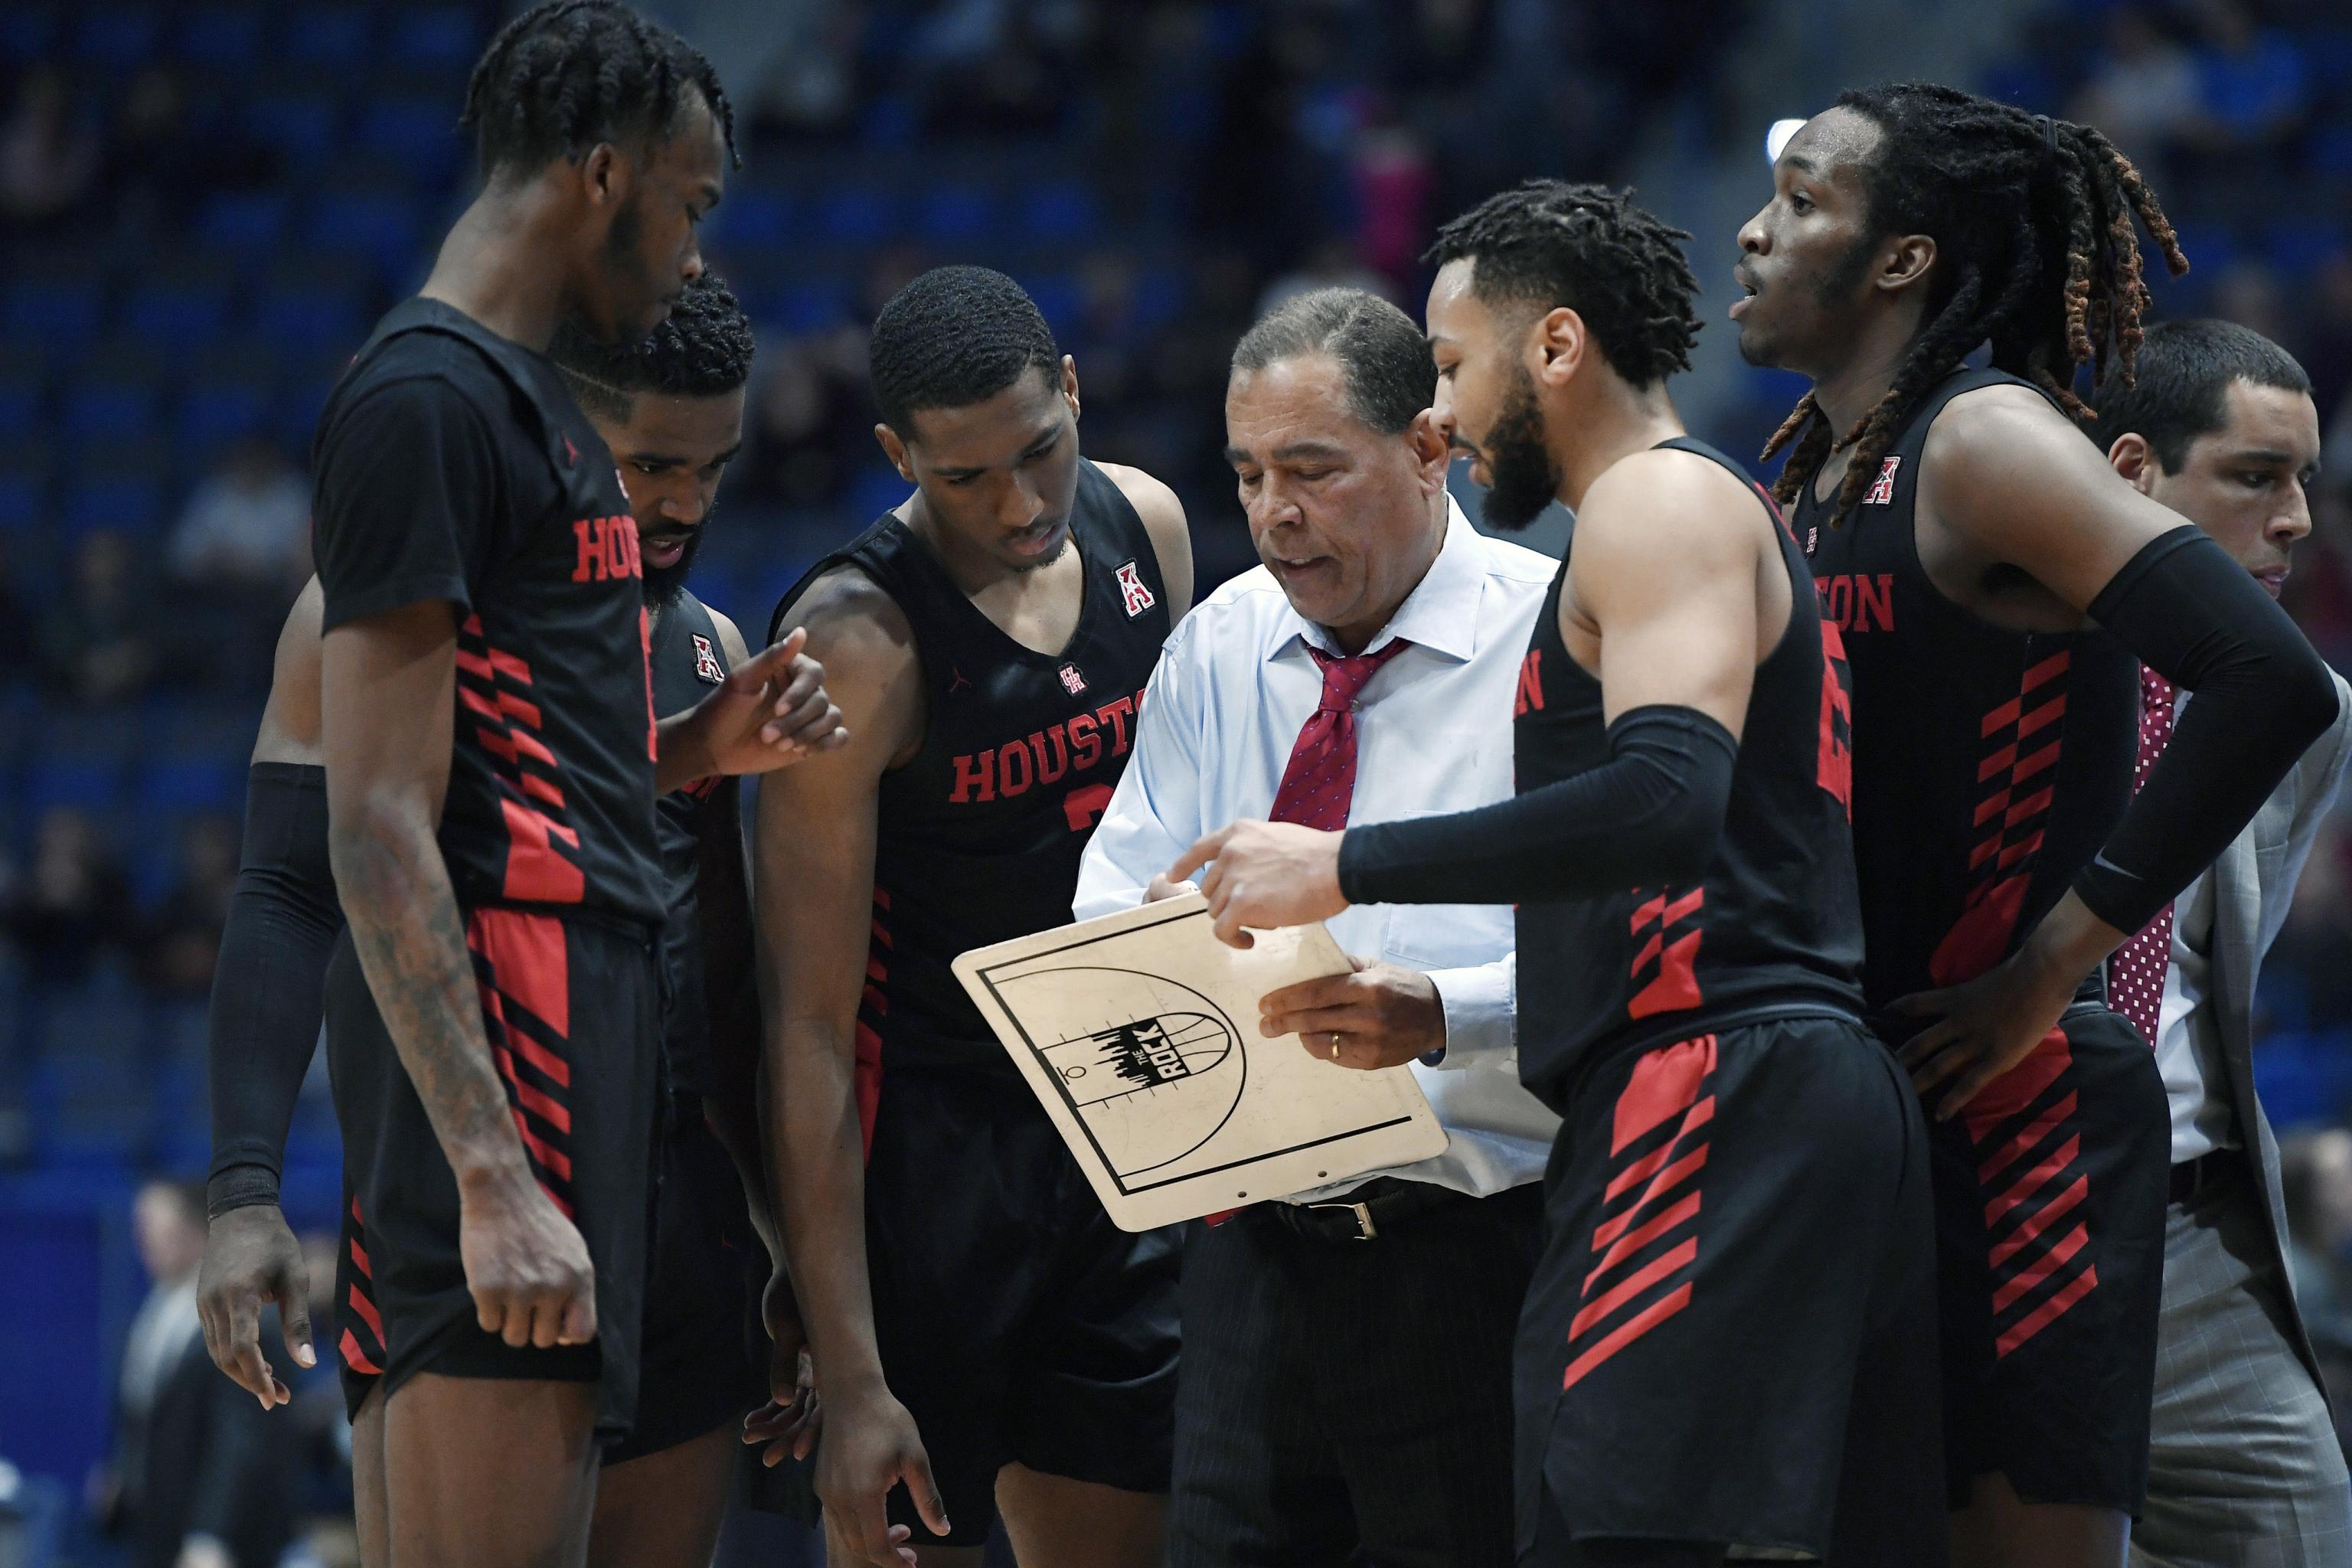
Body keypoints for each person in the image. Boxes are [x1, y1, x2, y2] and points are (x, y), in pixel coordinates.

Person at [1174, 180, 1945, 1566]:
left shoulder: (1651, 500)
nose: (1446, 417)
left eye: (1454, 365)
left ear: (1555, 349)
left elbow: (1664, 795)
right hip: (1746, 1072)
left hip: (1715, 1072)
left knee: (1619, 1535)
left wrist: (1343, 863)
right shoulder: (1667, 513)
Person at [1732, 83, 2338, 1566]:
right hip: (1874, 1111)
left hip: (2028, 1121)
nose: (1753, 231)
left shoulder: (1983, 441)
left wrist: (2055, 963)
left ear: (1904, 258)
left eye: (1805, 201)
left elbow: (2271, 681)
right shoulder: (1803, 475)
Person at [301, 6, 837, 1565]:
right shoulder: (426, 401)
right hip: (513, 1039)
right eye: (692, 201)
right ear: (604, 176)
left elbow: (506, 772)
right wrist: (493, 1172)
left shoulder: (525, 397)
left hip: (580, 1016)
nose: (691, 248)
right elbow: (380, 818)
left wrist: (696, 754)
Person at [1070, 286, 1557, 1568]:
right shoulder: (1218, 642)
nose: (1276, 512)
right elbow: (1109, 896)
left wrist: (1449, 1012)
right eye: (1247, 475)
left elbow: (1636, 954)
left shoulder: (1557, 635)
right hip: (1248, 1257)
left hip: (1480, 1250)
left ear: (1427, 450)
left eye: (1312, 470)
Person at [750, 264, 1193, 1568]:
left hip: (1125, 1109)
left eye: (1039, 453)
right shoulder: (853, 641)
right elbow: (810, 1030)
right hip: (932, 1160)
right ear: (895, 454)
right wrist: (847, 1361)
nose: (1016, 504)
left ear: (1071, 390)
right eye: (963, 479)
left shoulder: (1146, 529)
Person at [2086, 318, 2352, 1566]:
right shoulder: (1987, 665)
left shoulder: (2311, 709)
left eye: (2302, 480)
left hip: (2191, 1226)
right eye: (2254, 477)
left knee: (2301, 1525)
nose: (2295, 518)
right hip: (1988, 1213)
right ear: (2130, 471)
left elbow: (2208, 975)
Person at [94, 1178, 290, 1568]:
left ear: (195, 1231)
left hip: (212, 1535)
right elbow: (142, 1411)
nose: (143, 1239)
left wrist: (211, 1534)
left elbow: (240, 1436)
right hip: (153, 1527)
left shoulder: (241, 1316)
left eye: (155, 1228)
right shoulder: (155, 1309)